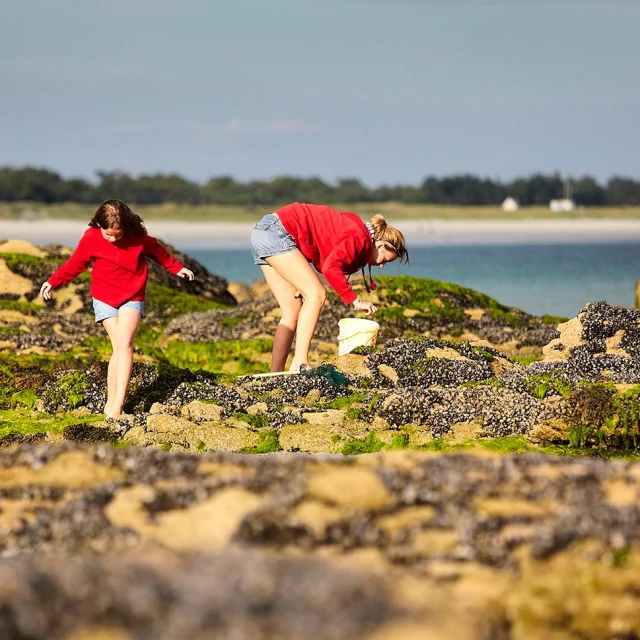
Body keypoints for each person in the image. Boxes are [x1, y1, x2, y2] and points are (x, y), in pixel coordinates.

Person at [40, 199, 194, 418]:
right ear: (99, 225)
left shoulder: (138, 238)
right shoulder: (91, 237)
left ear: (126, 228)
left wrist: (177, 268)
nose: (112, 239)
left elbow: (158, 252)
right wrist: (53, 281)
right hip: (103, 297)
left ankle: (116, 407)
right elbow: (76, 263)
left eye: (118, 235)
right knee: (119, 347)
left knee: (125, 343)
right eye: (108, 234)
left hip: (132, 294)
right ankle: (111, 404)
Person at [251, 202, 408, 372]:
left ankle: (276, 373)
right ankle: (300, 362)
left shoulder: (355, 230)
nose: (382, 265)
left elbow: (318, 241)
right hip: (278, 232)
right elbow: (330, 268)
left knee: (291, 311)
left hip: (264, 232)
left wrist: (298, 278)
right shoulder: (358, 239)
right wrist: (356, 302)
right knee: (316, 294)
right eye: (385, 260)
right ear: (380, 245)